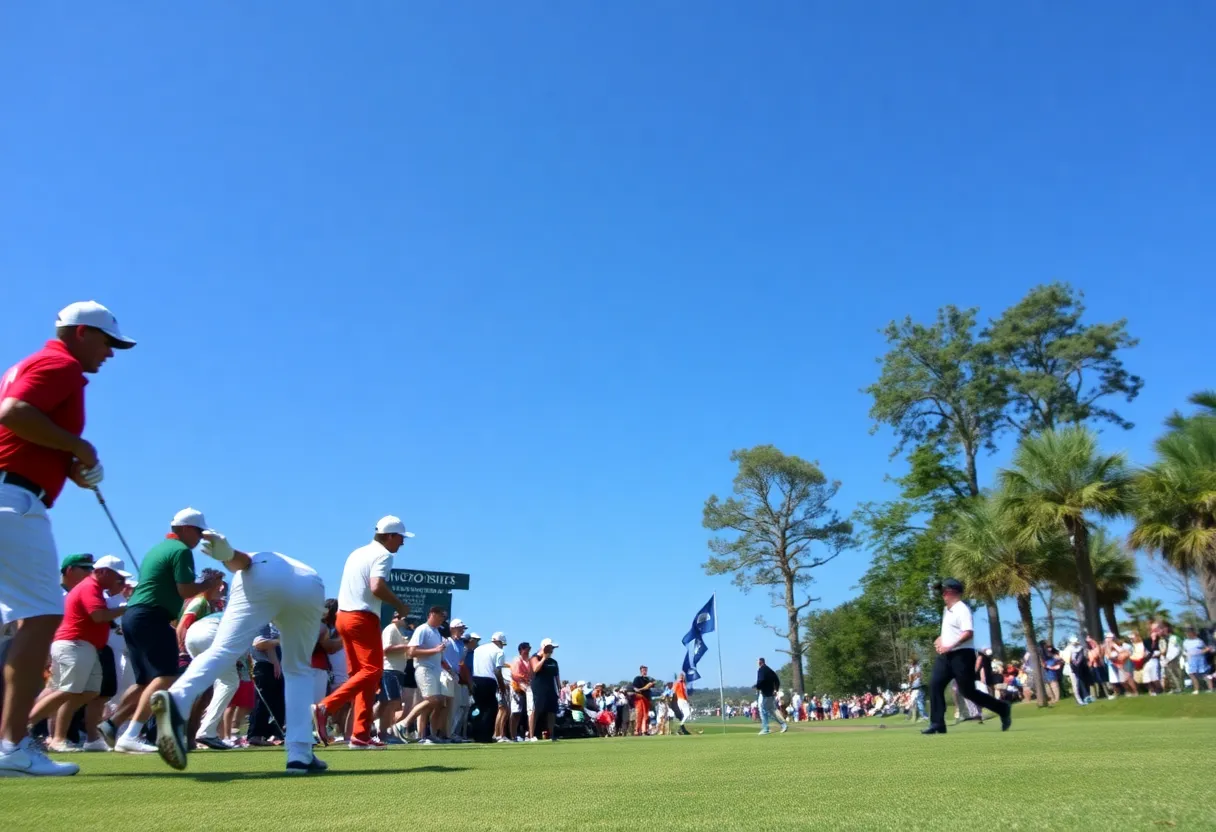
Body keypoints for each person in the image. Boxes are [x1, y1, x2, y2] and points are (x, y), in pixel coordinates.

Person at [0, 301, 133, 776]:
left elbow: (25, 429)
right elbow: (13, 413)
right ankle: (12, 747)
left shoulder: (39, 363)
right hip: (13, 499)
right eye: (108, 342)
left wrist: (69, 466)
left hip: (15, 489)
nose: (111, 354)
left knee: (22, 620)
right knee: (40, 616)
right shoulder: (60, 363)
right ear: (80, 333)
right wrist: (79, 446)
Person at [148, 531, 329, 774]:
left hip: (265, 577)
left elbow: (241, 561)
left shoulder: (259, 562)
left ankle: (178, 699)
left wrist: (226, 554)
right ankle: (300, 754)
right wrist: (228, 554)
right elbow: (240, 559)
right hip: (311, 586)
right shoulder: (290, 566)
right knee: (298, 670)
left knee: (223, 650)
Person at [116, 508, 223, 754]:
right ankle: (130, 734)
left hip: (135, 615)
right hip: (152, 616)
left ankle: (113, 725)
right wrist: (210, 584)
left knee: (145, 681)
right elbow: (185, 590)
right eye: (198, 532)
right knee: (165, 677)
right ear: (185, 528)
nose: (199, 539)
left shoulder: (158, 548)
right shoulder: (181, 550)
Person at [313, 516, 411, 749]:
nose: (402, 543)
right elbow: (376, 586)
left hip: (344, 617)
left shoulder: (357, 552)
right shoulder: (385, 555)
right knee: (372, 671)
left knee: (362, 677)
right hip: (362, 617)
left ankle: (360, 735)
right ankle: (325, 707)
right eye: (400, 538)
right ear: (389, 536)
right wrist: (399, 605)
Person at [26, 558, 128, 751]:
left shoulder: (94, 588)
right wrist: (127, 608)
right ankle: (28, 730)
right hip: (74, 644)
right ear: (103, 572)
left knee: (89, 692)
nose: (118, 581)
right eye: (116, 576)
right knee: (67, 690)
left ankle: (62, 737)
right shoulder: (90, 587)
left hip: (85, 646)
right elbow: (98, 616)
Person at [922, 579, 1011, 735]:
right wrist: (941, 639)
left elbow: (968, 633)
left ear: (953, 592)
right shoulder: (947, 610)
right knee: (935, 684)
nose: (943, 594)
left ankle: (1002, 708)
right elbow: (951, 633)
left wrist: (949, 645)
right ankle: (937, 724)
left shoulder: (962, 609)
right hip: (946, 656)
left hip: (962, 655)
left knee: (968, 691)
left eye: (945, 591)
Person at [400, 606, 448, 744]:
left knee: (430, 703)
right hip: (424, 669)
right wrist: (436, 649)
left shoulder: (437, 632)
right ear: (432, 614)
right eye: (441, 616)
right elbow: (412, 652)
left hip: (435, 671)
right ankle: (404, 723)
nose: (442, 619)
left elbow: (438, 654)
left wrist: (441, 654)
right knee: (434, 700)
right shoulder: (422, 629)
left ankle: (424, 736)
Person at [471, 630, 507, 743]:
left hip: (475, 679)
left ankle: (475, 734)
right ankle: (486, 736)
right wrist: (502, 687)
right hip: (489, 680)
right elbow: (497, 671)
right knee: (491, 709)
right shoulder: (499, 651)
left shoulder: (478, 649)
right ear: (500, 642)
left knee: (478, 708)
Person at [530, 638, 560, 741]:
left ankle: (551, 734)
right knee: (537, 711)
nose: (552, 650)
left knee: (551, 712)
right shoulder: (535, 657)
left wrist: (559, 689)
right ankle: (532, 735)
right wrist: (543, 658)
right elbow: (535, 669)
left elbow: (557, 677)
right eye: (550, 648)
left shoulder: (554, 662)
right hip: (539, 689)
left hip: (551, 689)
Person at [753, 658, 787, 735]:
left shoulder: (761, 670)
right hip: (767, 693)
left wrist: (756, 686)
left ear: (760, 662)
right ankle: (771, 726)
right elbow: (776, 679)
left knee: (766, 709)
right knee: (766, 709)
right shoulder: (769, 670)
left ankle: (767, 728)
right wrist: (776, 689)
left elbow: (761, 681)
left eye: (757, 662)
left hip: (766, 693)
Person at [508, 641, 533, 741]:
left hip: (527, 688)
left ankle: (526, 734)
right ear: (521, 650)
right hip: (517, 688)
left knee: (526, 713)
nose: (528, 651)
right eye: (526, 649)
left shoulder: (529, 661)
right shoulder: (517, 660)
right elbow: (515, 675)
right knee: (515, 712)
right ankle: (513, 735)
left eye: (529, 649)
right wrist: (523, 684)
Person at [1183, 627, 1213, 694]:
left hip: (1200, 659)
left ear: (1193, 633)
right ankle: (1196, 690)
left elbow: (1206, 648)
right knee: (1191, 674)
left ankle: (1210, 689)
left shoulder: (1199, 641)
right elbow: (1185, 651)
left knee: (1204, 674)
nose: (1188, 634)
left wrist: (1202, 652)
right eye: (1187, 633)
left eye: (1189, 632)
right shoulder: (1185, 642)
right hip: (1191, 659)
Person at [632, 665, 655, 736]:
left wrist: (641, 689)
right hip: (639, 698)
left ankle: (644, 730)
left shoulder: (648, 679)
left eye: (646, 670)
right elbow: (634, 688)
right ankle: (637, 730)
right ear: (641, 671)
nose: (645, 671)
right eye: (643, 670)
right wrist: (639, 690)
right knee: (639, 714)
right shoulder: (637, 678)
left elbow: (652, 684)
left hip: (647, 698)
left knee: (646, 715)